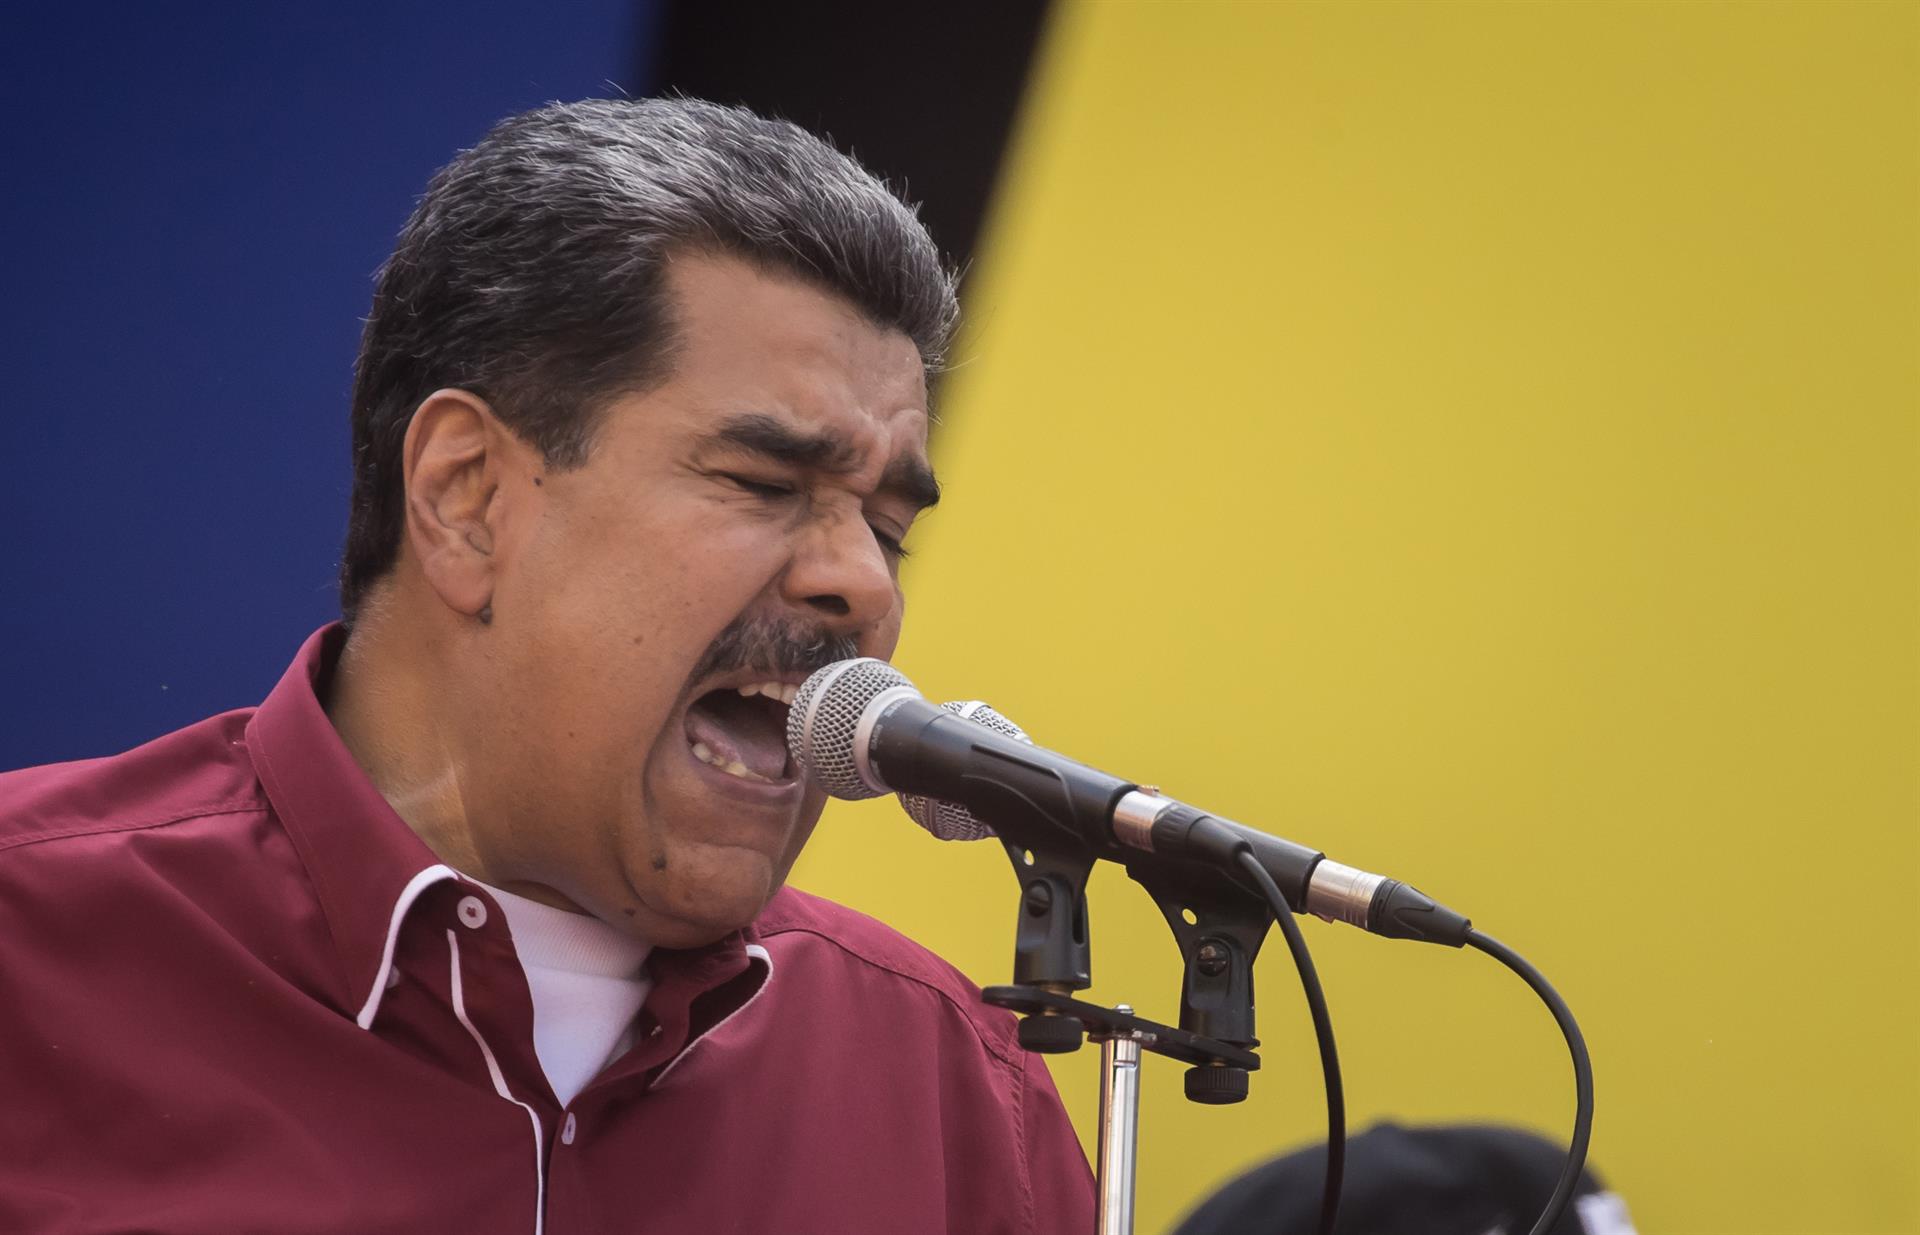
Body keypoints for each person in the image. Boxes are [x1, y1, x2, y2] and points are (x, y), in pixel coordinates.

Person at [0, 98, 1095, 1233]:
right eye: (765, 484)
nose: (863, 583)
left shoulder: (960, 1091)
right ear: (466, 498)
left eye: (888, 527)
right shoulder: (28, 943)